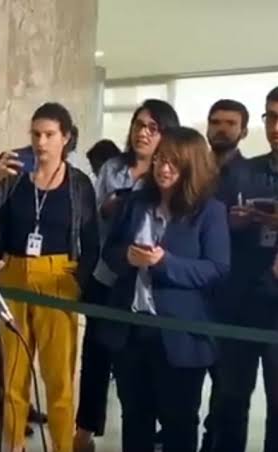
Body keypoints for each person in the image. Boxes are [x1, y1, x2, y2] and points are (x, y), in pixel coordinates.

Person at [0, 102, 99, 452]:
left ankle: (61, 446)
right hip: (13, 273)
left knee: (58, 377)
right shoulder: (13, 176)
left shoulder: (78, 184)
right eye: (36, 134)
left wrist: (78, 282)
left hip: (58, 277)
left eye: (49, 135)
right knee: (13, 373)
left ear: (65, 138)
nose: (41, 142)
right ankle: (14, 444)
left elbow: (92, 240)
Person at [96, 127, 230, 452]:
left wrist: (165, 263)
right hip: (131, 330)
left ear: (191, 166)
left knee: (179, 424)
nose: (163, 168)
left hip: (180, 335)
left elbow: (217, 268)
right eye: (159, 160)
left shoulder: (209, 211)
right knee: (135, 418)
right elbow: (110, 251)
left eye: (172, 162)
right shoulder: (135, 203)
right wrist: (127, 257)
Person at [74, 99, 180, 452]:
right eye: (138, 124)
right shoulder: (113, 167)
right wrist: (107, 209)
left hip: (149, 284)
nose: (143, 133)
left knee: (141, 366)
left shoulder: (170, 171)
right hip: (106, 274)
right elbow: (91, 220)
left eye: (152, 127)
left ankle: (154, 430)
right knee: (95, 354)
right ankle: (86, 428)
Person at [212, 87, 278, 452]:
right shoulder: (243, 172)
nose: (276, 127)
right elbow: (212, 227)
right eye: (272, 117)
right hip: (242, 302)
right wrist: (232, 223)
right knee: (231, 399)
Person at [199, 98, 250, 452]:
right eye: (215, 122)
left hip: (235, 295)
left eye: (230, 123)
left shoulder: (251, 175)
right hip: (192, 290)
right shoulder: (194, 170)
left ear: (243, 131)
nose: (221, 129)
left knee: (230, 389)